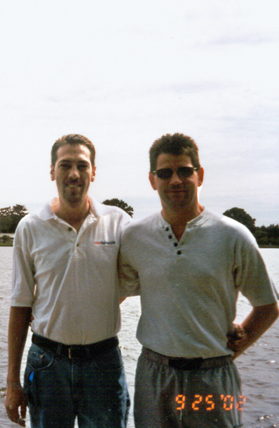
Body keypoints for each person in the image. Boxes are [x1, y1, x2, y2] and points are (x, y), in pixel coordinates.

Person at [119, 133, 279, 428]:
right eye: (165, 173)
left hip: (214, 377)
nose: (176, 180)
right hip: (154, 376)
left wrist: (236, 346)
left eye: (185, 170)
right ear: (153, 180)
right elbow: (113, 293)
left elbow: (268, 306)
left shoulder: (234, 236)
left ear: (200, 175)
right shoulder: (134, 237)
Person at [5, 134, 131, 428]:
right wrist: (12, 381)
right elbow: (20, 303)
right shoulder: (31, 227)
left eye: (82, 165)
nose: (74, 174)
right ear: (52, 171)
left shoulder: (118, 222)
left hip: (103, 361)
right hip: (47, 363)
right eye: (65, 165)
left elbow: (145, 278)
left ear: (94, 172)